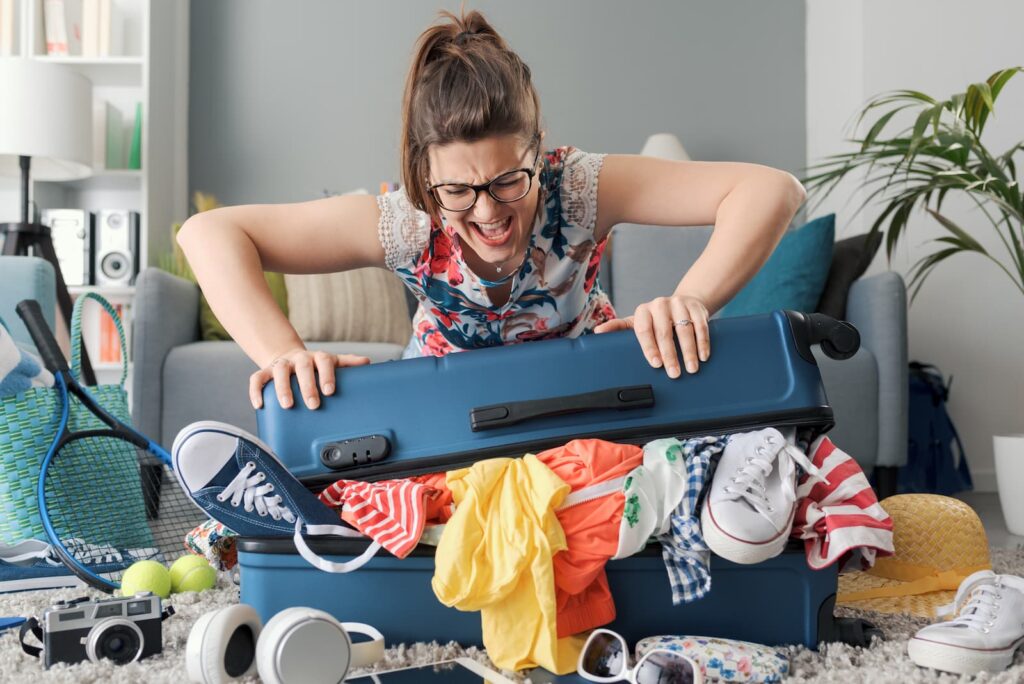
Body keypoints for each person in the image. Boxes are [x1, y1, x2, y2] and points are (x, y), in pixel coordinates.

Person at [177, 9, 806, 412]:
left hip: (584, 400)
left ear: (538, 150)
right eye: (457, 191)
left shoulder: (579, 184)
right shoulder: (405, 220)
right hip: (449, 416)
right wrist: (283, 353)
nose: (487, 213)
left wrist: (691, 298)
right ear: (425, 176)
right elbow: (209, 233)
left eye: (508, 181)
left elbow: (771, 190)